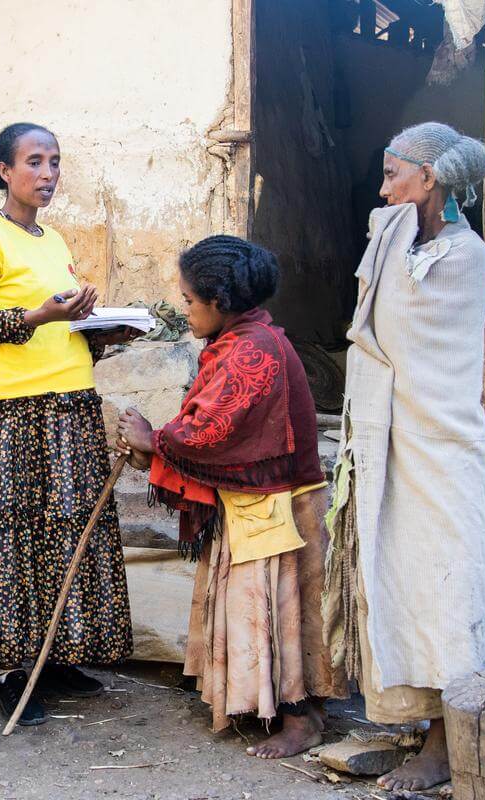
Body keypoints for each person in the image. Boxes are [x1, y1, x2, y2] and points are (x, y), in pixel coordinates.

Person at [117, 236, 348, 757]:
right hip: (257, 504)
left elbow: (210, 433)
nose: (185, 309)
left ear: (219, 302)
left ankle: (300, 716)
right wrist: (152, 446)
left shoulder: (253, 352)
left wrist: (153, 440)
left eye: (189, 301)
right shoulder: (240, 341)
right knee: (273, 612)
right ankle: (275, 702)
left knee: (280, 613)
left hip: (278, 509)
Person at [321, 122, 485, 792]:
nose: (383, 188)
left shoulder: (463, 253)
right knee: (400, 582)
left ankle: (448, 742)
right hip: (392, 441)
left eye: (395, 174)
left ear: (429, 179)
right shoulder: (402, 240)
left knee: (446, 588)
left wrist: (388, 238)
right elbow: (374, 324)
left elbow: (402, 335)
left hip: (440, 445)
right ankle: (414, 724)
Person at [0, 122, 137, 725]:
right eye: (34, 161)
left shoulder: (54, 240)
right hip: (14, 407)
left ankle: (57, 655)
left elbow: (60, 331)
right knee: (15, 531)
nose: (48, 173)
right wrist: (41, 313)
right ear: (4, 170)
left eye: (55, 161)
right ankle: (13, 669)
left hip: (72, 402)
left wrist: (98, 332)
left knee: (68, 526)